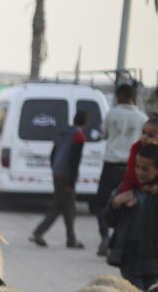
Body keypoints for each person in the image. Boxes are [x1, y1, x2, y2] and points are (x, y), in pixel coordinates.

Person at [105, 143, 158, 291]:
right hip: (129, 258)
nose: (139, 172)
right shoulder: (126, 189)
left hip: (154, 260)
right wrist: (115, 204)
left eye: (145, 169)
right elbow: (109, 220)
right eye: (137, 167)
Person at [95, 83, 148, 256]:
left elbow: (103, 134)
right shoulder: (142, 118)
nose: (117, 99)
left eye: (118, 96)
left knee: (102, 203)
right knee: (128, 204)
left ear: (124, 95)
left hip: (111, 163)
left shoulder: (112, 113)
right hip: (131, 167)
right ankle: (118, 242)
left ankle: (104, 236)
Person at [30, 110, 89, 249]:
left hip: (57, 172)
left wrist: (55, 168)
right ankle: (39, 232)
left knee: (68, 208)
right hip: (66, 175)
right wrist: (71, 182)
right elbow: (75, 161)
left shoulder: (63, 132)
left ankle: (71, 239)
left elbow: (53, 153)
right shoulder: (78, 136)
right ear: (86, 122)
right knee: (60, 207)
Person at [119, 115, 158, 196]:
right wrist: (140, 185)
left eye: (150, 136)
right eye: (143, 133)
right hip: (137, 178)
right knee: (127, 179)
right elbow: (131, 167)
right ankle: (128, 197)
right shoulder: (136, 147)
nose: (145, 137)